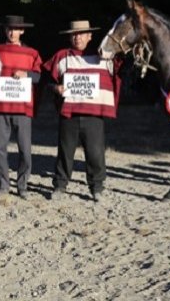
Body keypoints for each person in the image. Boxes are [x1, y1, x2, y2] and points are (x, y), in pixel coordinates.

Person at [41, 20, 123, 202]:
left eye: (81, 34)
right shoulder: (62, 56)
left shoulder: (104, 57)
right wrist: (56, 89)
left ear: (90, 36)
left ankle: (97, 188)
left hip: (94, 114)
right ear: (70, 37)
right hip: (69, 114)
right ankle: (60, 185)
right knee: (65, 151)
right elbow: (46, 81)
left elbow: (121, 69)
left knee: (95, 152)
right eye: (74, 34)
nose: (77, 38)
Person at [0, 15, 42, 200]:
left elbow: (39, 77)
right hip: (1, 107)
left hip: (23, 109)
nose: (12, 32)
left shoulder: (32, 53)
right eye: (9, 29)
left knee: (25, 150)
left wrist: (26, 74)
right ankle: (3, 185)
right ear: (5, 31)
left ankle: (22, 185)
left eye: (16, 29)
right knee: (0, 148)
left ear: (22, 31)